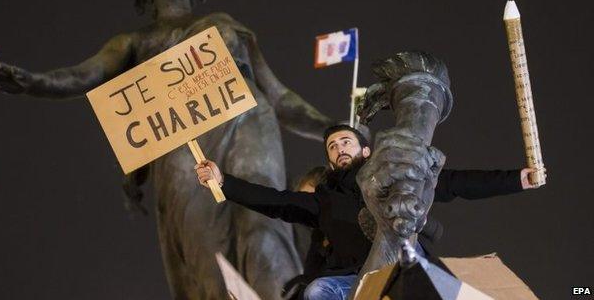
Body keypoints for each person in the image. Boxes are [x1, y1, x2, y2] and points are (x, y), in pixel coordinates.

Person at [0, 0, 334, 298]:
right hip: (183, 147)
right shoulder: (134, 43)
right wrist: (31, 82)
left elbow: (279, 96)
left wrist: (334, 131)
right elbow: (81, 76)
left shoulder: (224, 26)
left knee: (264, 224)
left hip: (248, 124)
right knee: (206, 252)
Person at [195, 124, 541, 300]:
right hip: (355, 283)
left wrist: (517, 179)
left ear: (365, 149)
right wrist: (224, 181)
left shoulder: (392, 180)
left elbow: (455, 183)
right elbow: (275, 201)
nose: (338, 148)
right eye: (332, 146)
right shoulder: (324, 200)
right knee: (318, 292)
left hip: (402, 268)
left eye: (345, 142)